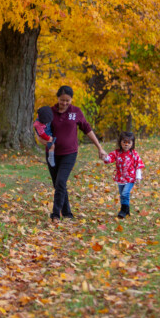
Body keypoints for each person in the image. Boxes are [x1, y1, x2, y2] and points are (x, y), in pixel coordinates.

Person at [41, 85, 107, 222]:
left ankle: (55, 214)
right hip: (52, 154)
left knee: (60, 181)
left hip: (69, 153)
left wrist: (99, 147)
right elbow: (40, 132)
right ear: (57, 98)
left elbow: (87, 129)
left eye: (67, 100)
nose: (64, 103)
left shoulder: (76, 112)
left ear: (71, 100)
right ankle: (67, 213)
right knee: (59, 184)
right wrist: (44, 142)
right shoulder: (49, 112)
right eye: (62, 100)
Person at [102, 131, 145, 219]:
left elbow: (138, 165)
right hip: (120, 178)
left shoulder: (134, 154)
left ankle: (122, 210)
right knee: (122, 195)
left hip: (130, 178)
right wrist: (105, 157)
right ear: (120, 142)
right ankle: (127, 211)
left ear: (132, 144)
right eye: (124, 142)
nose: (126, 145)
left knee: (125, 193)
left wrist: (138, 176)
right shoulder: (117, 153)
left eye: (128, 143)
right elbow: (109, 159)